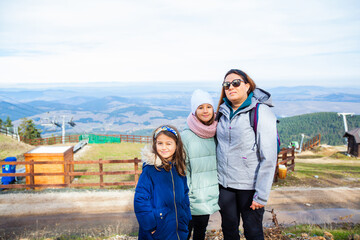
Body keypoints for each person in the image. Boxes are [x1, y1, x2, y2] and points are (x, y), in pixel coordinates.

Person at [216, 69, 278, 240]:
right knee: (229, 230)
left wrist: (261, 195)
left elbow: (269, 157)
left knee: (253, 231)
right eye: (226, 84)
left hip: (250, 188)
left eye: (236, 83)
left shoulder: (260, 112)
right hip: (226, 185)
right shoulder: (222, 111)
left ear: (248, 86)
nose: (230, 87)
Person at [134, 125, 191, 240]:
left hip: (179, 228)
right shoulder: (150, 170)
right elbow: (140, 200)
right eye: (160, 143)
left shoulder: (179, 168)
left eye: (168, 143)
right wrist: (151, 226)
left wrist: (187, 218)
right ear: (155, 144)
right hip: (158, 230)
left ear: (176, 145)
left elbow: (185, 195)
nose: (164, 147)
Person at [181, 89, 220, 240]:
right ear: (194, 111)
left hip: (208, 196)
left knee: (200, 232)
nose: (205, 111)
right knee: (185, 232)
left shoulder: (216, 131)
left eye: (208, 106)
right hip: (191, 198)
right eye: (200, 107)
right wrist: (188, 194)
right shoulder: (186, 136)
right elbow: (182, 168)